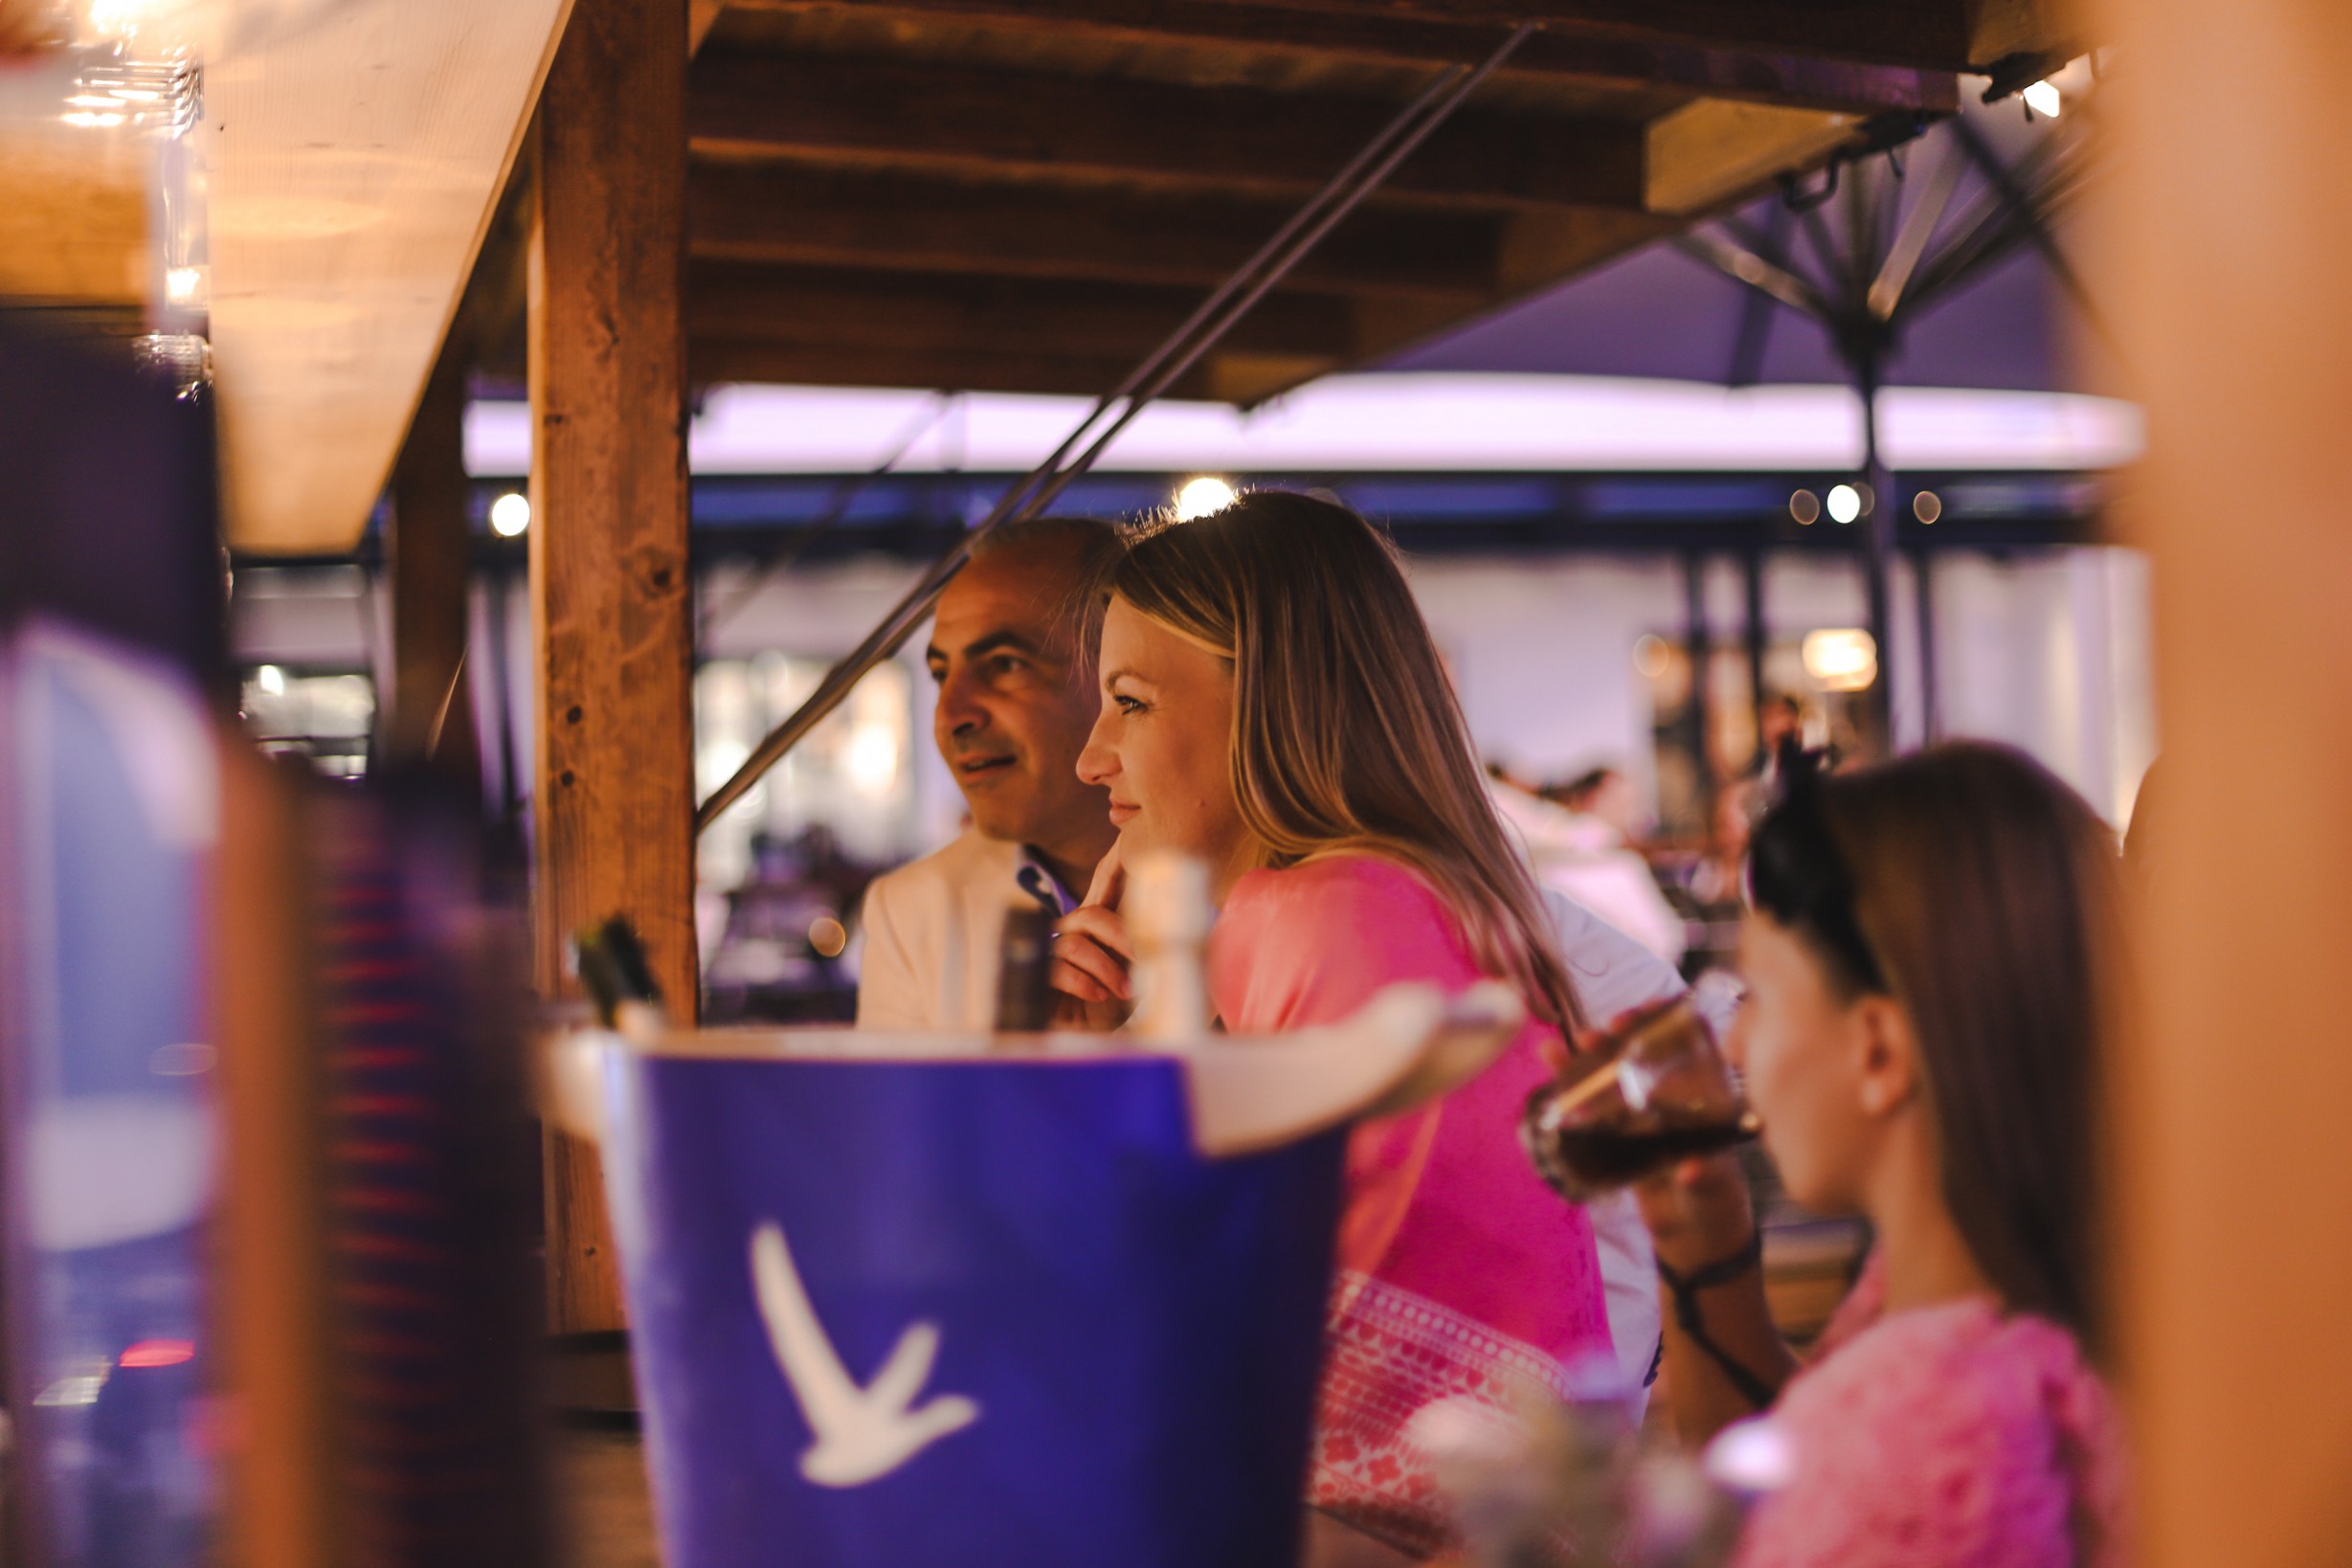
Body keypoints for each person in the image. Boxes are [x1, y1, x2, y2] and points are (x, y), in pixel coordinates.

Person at [1049, 492, 1629, 1565]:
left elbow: (1127, 1281)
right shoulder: (1435, 894)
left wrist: (1105, 1043)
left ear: (1267, 695)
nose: (1092, 758)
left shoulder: (1314, 912)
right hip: (1537, 1508)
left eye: (1128, 703)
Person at [1632, 742, 2127, 1568]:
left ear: (1878, 1051)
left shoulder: (1915, 1428)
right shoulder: (2018, 1290)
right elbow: (1788, 1467)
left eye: (1758, 993)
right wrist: (1701, 1240)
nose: (1738, 1046)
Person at [854, 517, 1123, 1030]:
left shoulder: (1256, 876)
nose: (950, 716)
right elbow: (900, 1112)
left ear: (1124, 673)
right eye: (940, 676)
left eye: (1005, 664)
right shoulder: (911, 912)